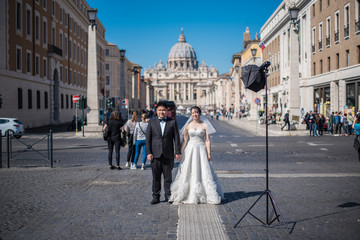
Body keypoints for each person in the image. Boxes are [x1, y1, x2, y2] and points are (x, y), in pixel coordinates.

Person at [169, 106, 224, 205]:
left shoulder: (205, 125)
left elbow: (207, 140)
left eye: (196, 112)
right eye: (193, 113)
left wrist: (209, 153)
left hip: (200, 149)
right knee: (188, 170)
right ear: (191, 114)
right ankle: (187, 193)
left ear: (200, 113)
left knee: (202, 170)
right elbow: (185, 140)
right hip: (190, 149)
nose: (195, 114)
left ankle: (204, 193)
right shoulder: (188, 125)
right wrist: (179, 152)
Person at [146, 102, 182, 205]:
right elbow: (148, 139)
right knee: (156, 177)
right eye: (160, 110)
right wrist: (149, 152)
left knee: (168, 177)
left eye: (163, 110)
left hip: (168, 153)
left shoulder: (172, 122)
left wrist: (177, 152)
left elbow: (176, 138)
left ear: (167, 111)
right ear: (156, 111)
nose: (162, 112)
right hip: (155, 154)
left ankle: (168, 195)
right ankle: (155, 196)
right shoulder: (152, 122)